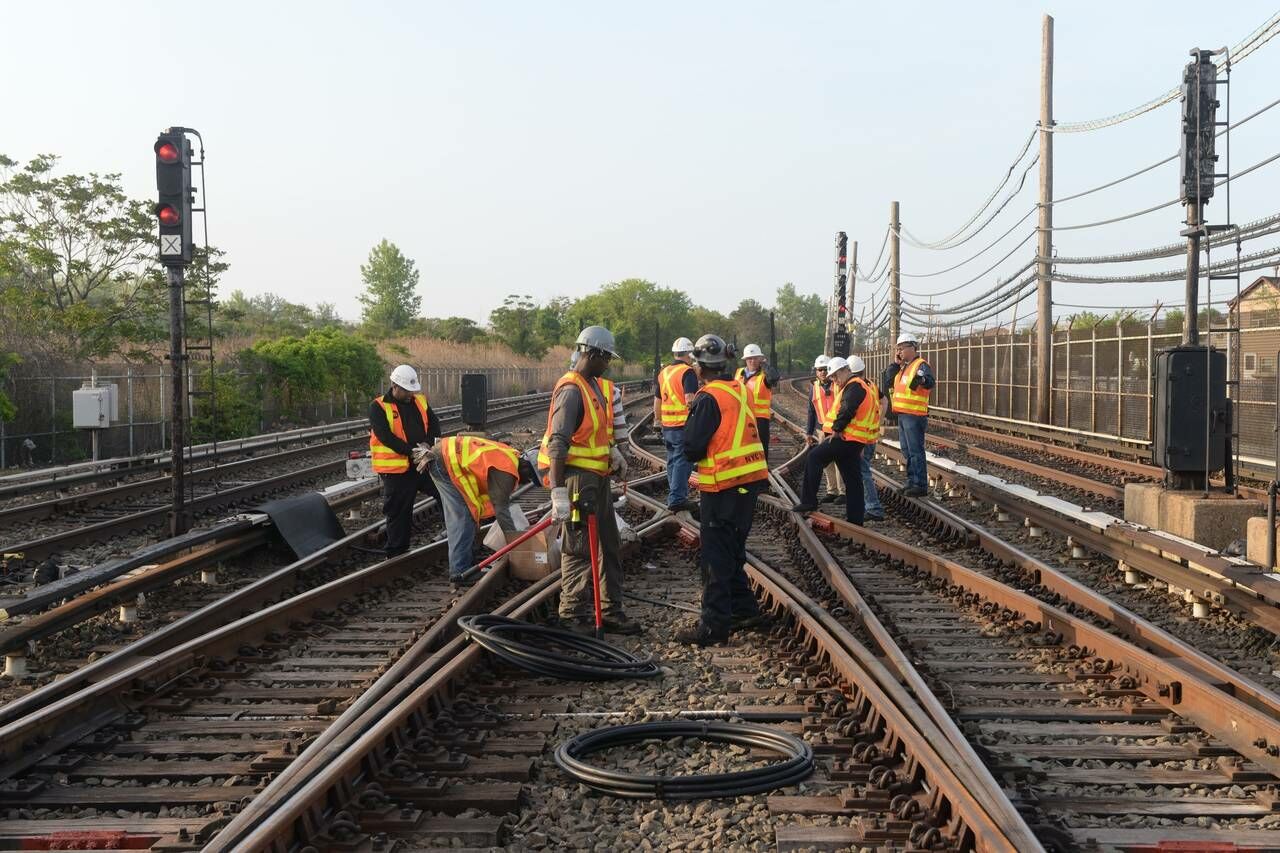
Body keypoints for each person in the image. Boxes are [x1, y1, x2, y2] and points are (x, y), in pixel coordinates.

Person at [538, 326, 641, 636]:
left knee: (609, 544)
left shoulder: (594, 386)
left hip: (597, 479)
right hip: (576, 481)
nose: (608, 363)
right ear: (592, 354)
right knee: (579, 547)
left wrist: (613, 454)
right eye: (606, 357)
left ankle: (610, 610)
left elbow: (596, 433)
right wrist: (557, 491)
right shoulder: (571, 390)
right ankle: (572, 614)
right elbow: (559, 443)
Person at [676, 334, 770, 646]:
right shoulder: (738, 389)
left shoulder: (708, 398)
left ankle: (714, 627)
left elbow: (690, 447)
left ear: (701, 368)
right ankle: (744, 609)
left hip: (724, 485)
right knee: (732, 550)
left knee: (715, 556)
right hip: (748, 482)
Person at [423, 435, 538, 583]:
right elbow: (501, 509)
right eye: (530, 478)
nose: (527, 482)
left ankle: (467, 559)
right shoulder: (506, 472)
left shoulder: (510, 457)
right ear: (527, 469)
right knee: (463, 517)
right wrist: (515, 541)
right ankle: (459, 571)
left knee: (468, 514)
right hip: (444, 462)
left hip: (444, 456)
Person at [791, 356, 875, 525]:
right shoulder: (855, 386)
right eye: (832, 378)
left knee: (814, 457)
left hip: (845, 437)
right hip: (853, 439)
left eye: (836, 376)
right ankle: (855, 519)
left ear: (846, 370)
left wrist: (836, 430)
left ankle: (808, 501)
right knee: (853, 480)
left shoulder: (855, 386)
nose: (834, 380)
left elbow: (847, 409)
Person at [369, 364, 441, 557]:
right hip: (397, 471)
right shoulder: (378, 407)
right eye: (406, 391)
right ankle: (396, 553)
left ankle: (453, 533)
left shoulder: (420, 401)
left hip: (422, 464)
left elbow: (434, 425)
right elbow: (386, 437)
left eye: (412, 390)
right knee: (399, 512)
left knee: (447, 493)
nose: (410, 394)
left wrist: (427, 444)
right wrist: (412, 451)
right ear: (394, 386)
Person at [653, 337, 700, 512]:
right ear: (689, 354)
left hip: (668, 426)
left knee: (672, 460)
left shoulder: (663, 372)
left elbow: (657, 401)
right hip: (682, 425)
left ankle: (675, 495)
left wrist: (657, 421)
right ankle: (677, 498)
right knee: (682, 461)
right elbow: (690, 399)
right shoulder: (687, 372)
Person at [886, 333, 935, 497]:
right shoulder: (903, 368)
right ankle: (911, 482)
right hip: (903, 415)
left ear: (912, 347)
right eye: (898, 349)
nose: (899, 352)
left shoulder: (920, 365)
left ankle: (919, 484)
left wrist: (921, 381)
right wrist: (895, 363)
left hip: (914, 415)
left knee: (915, 451)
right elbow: (888, 381)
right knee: (907, 450)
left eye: (901, 348)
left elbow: (930, 381)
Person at [804, 354, 844, 504]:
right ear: (816, 371)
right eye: (819, 370)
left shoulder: (838, 385)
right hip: (822, 429)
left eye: (825, 369)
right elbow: (811, 410)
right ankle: (832, 491)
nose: (822, 372)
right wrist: (809, 432)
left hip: (837, 429)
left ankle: (842, 492)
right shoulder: (814, 388)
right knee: (827, 463)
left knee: (839, 460)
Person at [735, 344, 779, 462]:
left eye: (755, 358)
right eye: (750, 358)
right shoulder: (738, 373)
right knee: (742, 446)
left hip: (760, 419)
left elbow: (774, 377)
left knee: (761, 447)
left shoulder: (765, 376)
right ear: (745, 360)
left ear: (760, 359)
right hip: (741, 417)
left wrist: (764, 365)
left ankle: (763, 472)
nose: (752, 361)